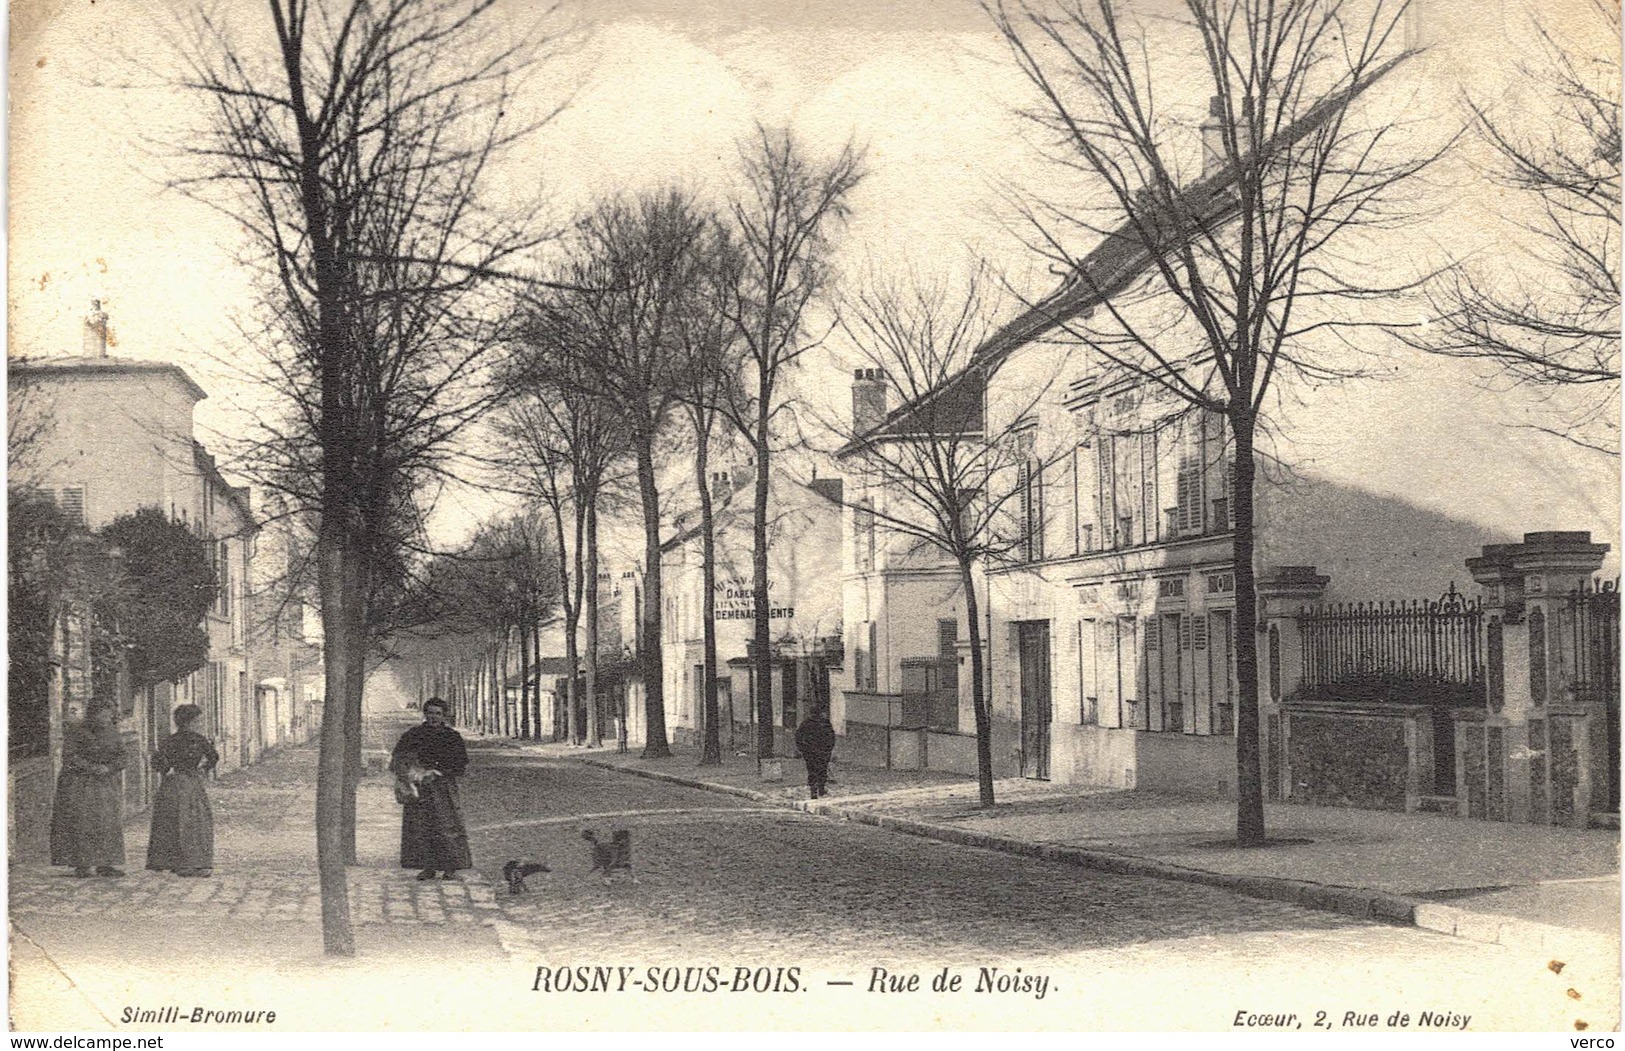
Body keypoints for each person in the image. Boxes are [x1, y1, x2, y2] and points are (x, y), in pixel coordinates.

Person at [391, 697, 472, 880]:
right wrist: (412, 772)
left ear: (444, 715)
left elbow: (460, 765)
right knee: (421, 827)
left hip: (443, 789)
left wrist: (438, 772)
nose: (433, 717)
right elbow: (398, 759)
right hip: (419, 789)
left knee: (446, 827)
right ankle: (428, 867)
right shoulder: (413, 735)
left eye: (438, 713)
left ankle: (450, 867)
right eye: (430, 713)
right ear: (424, 714)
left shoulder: (452, 737)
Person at [50, 700, 127, 878]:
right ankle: (82, 863)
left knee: (107, 822)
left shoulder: (112, 732)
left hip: (105, 784)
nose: (108, 719)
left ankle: (105, 863)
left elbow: (123, 755)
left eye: (110, 715)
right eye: (104, 715)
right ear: (93, 714)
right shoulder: (76, 732)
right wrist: (92, 768)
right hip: (79, 784)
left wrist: (109, 767)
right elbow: (70, 757)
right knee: (82, 822)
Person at [146, 704, 220, 877]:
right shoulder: (180, 740)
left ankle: (187, 862)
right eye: (197, 720)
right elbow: (157, 761)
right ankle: (183, 862)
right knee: (182, 822)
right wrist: (169, 769)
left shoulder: (183, 740)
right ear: (189, 721)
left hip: (183, 784)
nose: (200, 723)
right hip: (180, 784)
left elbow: (213, 756)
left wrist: (202, 769)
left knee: (186, 822)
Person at [794, 707, 836, 800]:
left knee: (812, 770)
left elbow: (799, 737)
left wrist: (802, 749)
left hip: (810, 752)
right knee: (822, 769)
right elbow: (831, 737)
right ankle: (821, 788)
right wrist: (829, 749)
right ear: (820, 713)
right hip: (823, 751)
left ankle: (813, 790)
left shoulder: (806, 723)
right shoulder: (825, 723)